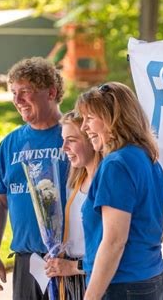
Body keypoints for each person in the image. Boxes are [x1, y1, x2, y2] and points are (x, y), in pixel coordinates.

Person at [75, 82, 163, 300]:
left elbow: (114, 242)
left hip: (123, 285)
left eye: (90, 118)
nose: (84, 127)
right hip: (150, 277)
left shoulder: (116, 165)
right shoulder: (146, 157)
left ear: (113, 118)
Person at [0, 57, 69, 300]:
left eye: (25, 92)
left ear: (51, 92)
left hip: (69, 263)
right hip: (27, 262)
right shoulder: (10, 144)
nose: (17, 100)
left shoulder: (74, 136)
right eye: (13, 92)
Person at [45, 110, 102, 299]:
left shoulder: (104, 184)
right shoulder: (76, 182)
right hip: (72, 281)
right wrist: (61, 254)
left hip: (95, 279)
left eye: (71, 140)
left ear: (91, 139)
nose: (63, 148)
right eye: (63, 140)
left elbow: (114, 246)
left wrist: (74, 267)